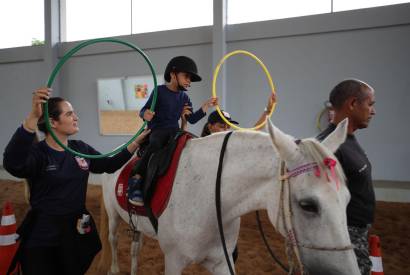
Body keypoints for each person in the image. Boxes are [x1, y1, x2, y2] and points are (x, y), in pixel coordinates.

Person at [3, 88, 150, 275]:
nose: (76, 117)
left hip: (75, 233)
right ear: (53, 122)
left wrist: (136, 142)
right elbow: (12, 163)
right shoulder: (39, 154)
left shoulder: (80, 149)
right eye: (69, 113)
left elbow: (109, 164)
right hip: (44, 235)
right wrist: (32, 117)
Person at [128, 56, 218, 206]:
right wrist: (146, 114)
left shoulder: (185, 98)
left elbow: (192, 119)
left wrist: (206, 106)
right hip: (157, 131)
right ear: (172, 74)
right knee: (156, 143)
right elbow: (143, 110)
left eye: (190, 78)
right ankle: (136, 177)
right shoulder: (159, 91)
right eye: (186, 76)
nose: (189, 81)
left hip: (174, 132)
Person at [317, 79, 376, 275]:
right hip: (342, 238)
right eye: (370, 104)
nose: (373, 111)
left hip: (357, 233)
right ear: (352, 104)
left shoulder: (348, 140)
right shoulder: (328, 147)